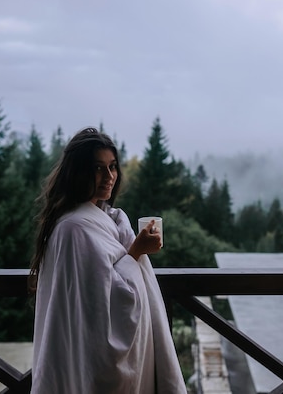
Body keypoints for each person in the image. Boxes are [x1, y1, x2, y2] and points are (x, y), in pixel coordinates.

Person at [28, 127, 187, 394]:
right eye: (98, 168)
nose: (109, 176)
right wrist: (136, 251)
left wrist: (134, 249)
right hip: (89, 368)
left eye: (112, 167)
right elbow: (103, 308)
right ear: (78, 172)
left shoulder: (102, 218)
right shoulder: (74, 229)